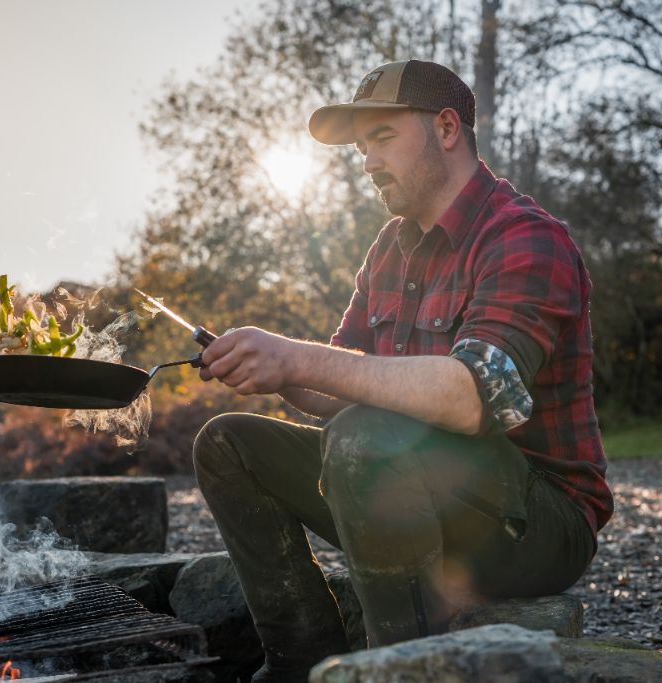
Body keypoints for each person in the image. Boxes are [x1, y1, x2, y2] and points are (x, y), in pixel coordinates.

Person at [192, 59, 613, 681]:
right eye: (361, 147)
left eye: (382, 137)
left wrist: (299, 356)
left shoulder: (525, 237)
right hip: (406, 481)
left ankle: (395, 670)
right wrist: (269, 366)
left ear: (447, 128)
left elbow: (475, 396)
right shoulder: (390, 246)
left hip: (538, 518)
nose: (366, 159)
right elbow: (334, 390)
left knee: (369, 438)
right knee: (226, 443)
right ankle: (299, 662)